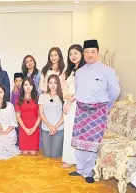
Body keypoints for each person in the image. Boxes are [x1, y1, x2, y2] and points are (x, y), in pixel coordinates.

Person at [69, 39, 120, 183]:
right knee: (79, 140)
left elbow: (115, 92)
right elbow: (78, 91)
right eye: (86, 52)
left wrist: (106, 108)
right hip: (81, 109)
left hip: (98, 111)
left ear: (98, 52)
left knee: (92, 142)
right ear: (83, 54)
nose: (89, 55)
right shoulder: (79, 72)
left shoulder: (107, 71)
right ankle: (80, 169)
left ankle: (88, 172)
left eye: (92, 52)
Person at [61, 44, 86, 168]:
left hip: (79, 104)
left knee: (78, 132)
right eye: (71, 54)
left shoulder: (86, 70)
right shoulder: (69, 70)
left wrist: (70, 101)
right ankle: (68, 158)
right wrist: (67, 97)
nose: (73, 56)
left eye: (76, 53)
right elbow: (64, 86)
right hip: (68, 102)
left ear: (82, 54)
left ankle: (78, 160)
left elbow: (84, 89)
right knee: (69, 131)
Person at [0, 85, 21, 160]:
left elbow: (13, 123)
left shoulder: (9, 105)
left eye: (0, 92)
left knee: (2, 152)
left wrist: (5, 133)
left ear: (4, 93)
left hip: (9, 131)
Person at [38, 74, 64, 158]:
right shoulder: (43, 96)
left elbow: (64, 114)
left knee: (55, 155)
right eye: (50, 83)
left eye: (55, 83)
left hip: (59, 128)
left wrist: (55, 127)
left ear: (58, 84)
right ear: (48, 84)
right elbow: (41, 113)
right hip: (46, 128)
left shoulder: (62, 96)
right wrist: (50, 127)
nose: (52, 85)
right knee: (47, 154)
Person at [15, 78, 41, 156]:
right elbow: (18, 117)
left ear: (33, 86)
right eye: (26, 85)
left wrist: (34, 128)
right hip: (23, 128)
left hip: (34, 127)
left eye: (30, 85)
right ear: (23, 87)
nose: (28, 87)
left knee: (33, 153)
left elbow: (40, 115)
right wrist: (25, 129)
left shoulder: (37, 99)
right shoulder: (18, 100)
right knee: (25, 153)